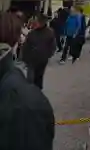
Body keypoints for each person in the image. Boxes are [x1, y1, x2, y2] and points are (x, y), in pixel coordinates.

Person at [0, 11, 55, 150]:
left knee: (37, 78)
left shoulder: (24, 105)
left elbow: (52, 46)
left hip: (39, 61)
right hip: (31, 61)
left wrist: (47, 55)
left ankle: (36, 86)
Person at [22, 14, 56, 90]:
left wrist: (48, 55)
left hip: (42, 59)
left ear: (42, 23)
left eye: (37, 22)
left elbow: (53, 46)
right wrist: (24, 58)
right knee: (30, 78)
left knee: (39, 76)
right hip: (31, 59)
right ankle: (30, 92)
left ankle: (37, 91)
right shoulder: (32, 33)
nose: (34, 23)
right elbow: (26, 46)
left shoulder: (49, 32)